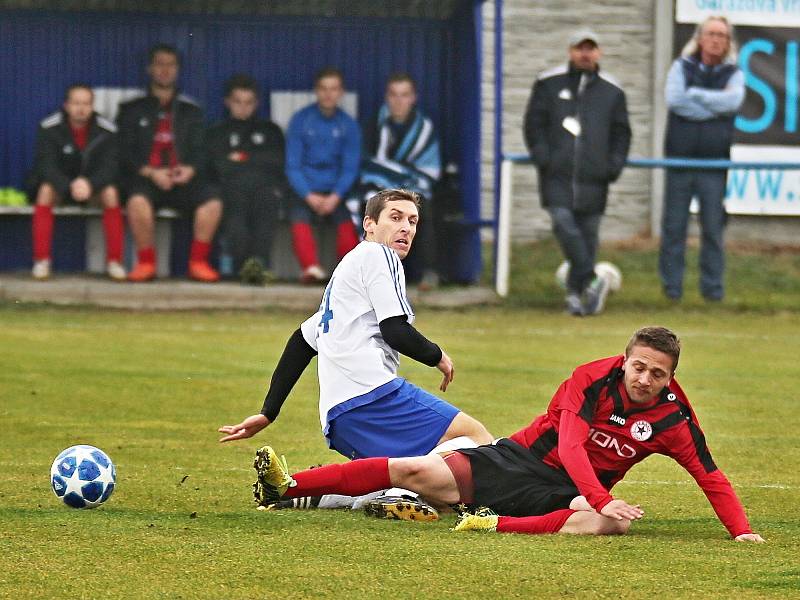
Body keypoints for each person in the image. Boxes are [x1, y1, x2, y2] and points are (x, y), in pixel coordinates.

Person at [252, 326, 765, 542]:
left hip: (564, 492)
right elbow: (567, 445)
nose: (645, 378)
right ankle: (291, 486)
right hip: (516, 460)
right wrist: (602, 496)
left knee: (614, 528)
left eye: (658, 373)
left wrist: (741, 532)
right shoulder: (591, 378)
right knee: (415, 469)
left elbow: (709, 474)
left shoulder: (675, 419)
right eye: (639, 367)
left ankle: (488, 524)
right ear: (625, 360)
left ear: (671, 377)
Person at [218, 189, 493, 512]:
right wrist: (438, 356)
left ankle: (314, 494)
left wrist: (268, 412)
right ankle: (397, 495)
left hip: (338, 418)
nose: (406, 227)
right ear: (369, 224)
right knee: (478, 440)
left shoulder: (349, 271)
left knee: (434, 490)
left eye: (413, 221)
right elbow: (395, 329)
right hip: (373, 396)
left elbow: (301, 341)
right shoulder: (379, 256)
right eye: (395, 218)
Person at [523, 29, 631, 316]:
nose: (585, 53)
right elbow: (534, 125)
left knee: (588, 237)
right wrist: (544, 158)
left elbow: (622, 133)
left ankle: (577, 295)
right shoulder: (548, 83)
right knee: (563, 224)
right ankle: (594, 279)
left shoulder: (612, 91)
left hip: (595, 179)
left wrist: (613, 165)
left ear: (598, 52)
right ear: (571, 51)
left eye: (590, 48)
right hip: (556, 177)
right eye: (580, 48)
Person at [117, 43, 222, 283]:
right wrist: (151, 172)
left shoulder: (191, 110)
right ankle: (146, 263)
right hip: (148, 179)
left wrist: (190, 169)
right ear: (150, 69)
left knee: (213, 202)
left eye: (170, 65)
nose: (165, 70)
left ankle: (198, 263)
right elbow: (123, 151)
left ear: (177, 70)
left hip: (183, 179)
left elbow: (202, 149)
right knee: (136, 201)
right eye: (160, 64)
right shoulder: (132, 109)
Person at [660, 16, 744, 302]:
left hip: (714, 164)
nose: (716, 39)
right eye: (711, 33)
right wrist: (712, 106)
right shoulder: (680, 67)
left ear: (728, 41)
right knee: (674, 228)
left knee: (713, 229)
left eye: (722, 34)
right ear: (699, 37)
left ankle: (713, 292)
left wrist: (695, 96)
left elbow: (732, 102)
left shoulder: (733, 73)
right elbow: (675, 101)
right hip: (679, 162)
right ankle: (672, 291)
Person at [28, 84, 125, 281]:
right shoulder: (49, 127)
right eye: (76, 103)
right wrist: (68, 186)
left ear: (92, 106)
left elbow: (111, 167)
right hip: (62, 187)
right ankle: (42, 261)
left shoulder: (107, 130)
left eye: (86, 103)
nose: (81, 109)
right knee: (45, 191)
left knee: (111, 193)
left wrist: (90, 184)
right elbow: (46, 166)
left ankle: (115, 262)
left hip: (92, 188)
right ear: (66, 105)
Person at [358, 72, 442, 289]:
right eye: (394, 95)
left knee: (423, 210)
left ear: (413, 97)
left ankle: (428, 272)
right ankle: (371, 275)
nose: (399, 101)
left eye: (404, 95)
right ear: (387, 97)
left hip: (415, 188)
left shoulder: (424, 128)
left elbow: (430, 170)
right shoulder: (373, 125)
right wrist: (396, 176)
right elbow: (367, 163)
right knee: (371, 209)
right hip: (378, 188)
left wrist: (402, 179)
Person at [207, 74, 287, 279]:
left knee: (266, 202)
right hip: (232, 190)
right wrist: (255, 160)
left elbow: (276, 162)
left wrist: (241, 158)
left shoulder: (270, 130)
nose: (243, 107)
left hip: (264, 189)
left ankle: (259, 269)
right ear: (228, 102)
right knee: (235, 221)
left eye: (248, 102)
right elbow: (218, 166)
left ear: (257, 103)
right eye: (237, 102)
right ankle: (239, 270)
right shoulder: (218, 132)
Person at [284, 67, 361, 283]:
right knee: (297, 212)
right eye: (323, 89)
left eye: (333, 89)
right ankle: (311, 269)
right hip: (306, 189)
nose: (328, 94)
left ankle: (347, 276)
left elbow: (350, 168)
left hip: (337, 191)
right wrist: (308, 195)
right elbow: (292, 166)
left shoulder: (348, 125)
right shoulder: (301, 120)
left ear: (341, 92)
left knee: (350, 214)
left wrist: (335, 196)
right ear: (316, 91)